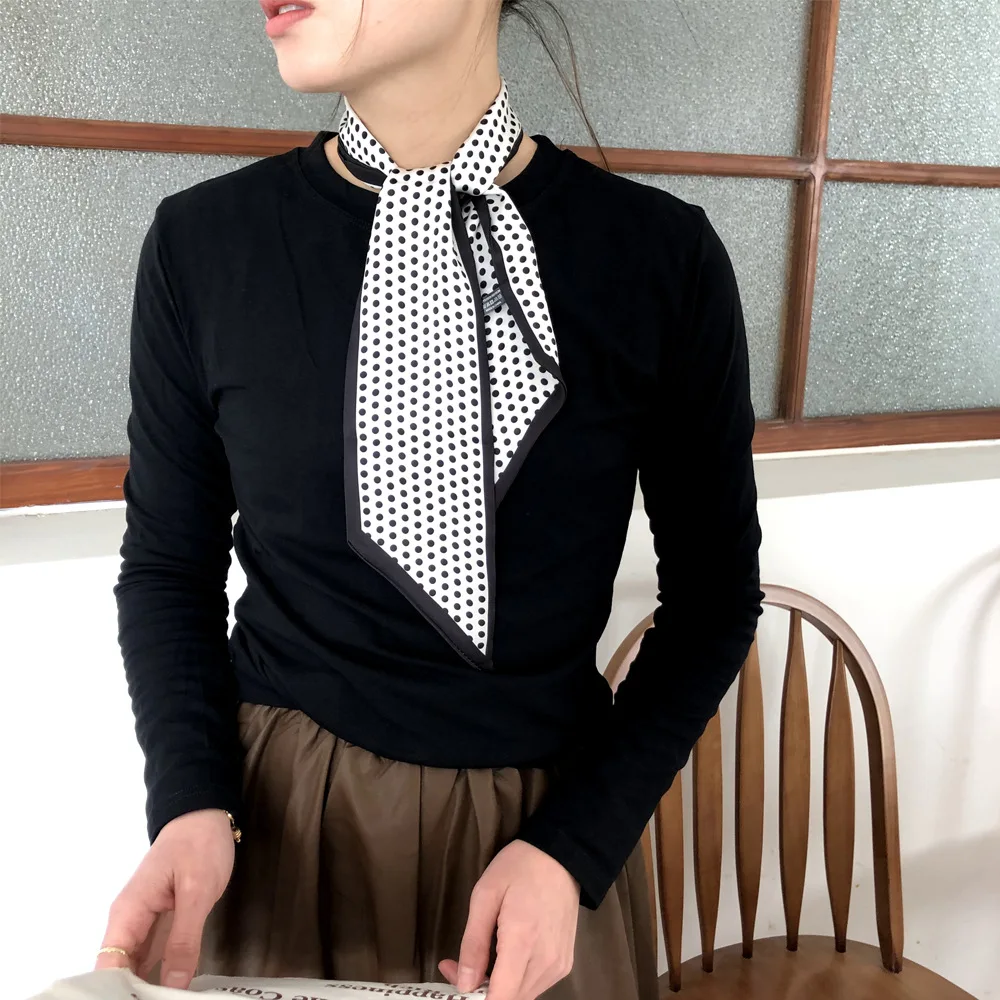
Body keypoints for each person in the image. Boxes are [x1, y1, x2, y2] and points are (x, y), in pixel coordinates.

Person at [98, 1, 765, 998]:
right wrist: (189, 800)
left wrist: (574, 848)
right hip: (276, 833)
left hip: (541, 847)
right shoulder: (204, 245)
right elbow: (167, 565)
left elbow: (713, 601)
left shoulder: (659, 258)